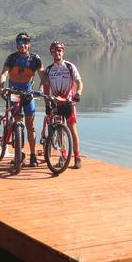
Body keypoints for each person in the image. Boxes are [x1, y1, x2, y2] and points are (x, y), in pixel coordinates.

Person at [0, 32, 44, 166]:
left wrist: (40, 90)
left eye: (25, 42)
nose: (22, 45)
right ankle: (19, 153)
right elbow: (4, 73)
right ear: (17, 45)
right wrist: (1, 87)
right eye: (19, 43)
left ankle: (33, 155)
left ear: (29, 44)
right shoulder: (11, 58)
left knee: (30, 126)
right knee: (17, 121)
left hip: (29, 94)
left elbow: (43, 76)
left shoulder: (35, 59)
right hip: (14, 93)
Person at [41, 40, 84, 169]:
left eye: (59, 50)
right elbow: (45, 87)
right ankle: (63, 156)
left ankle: (77, 157)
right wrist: (47, 104)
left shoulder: (70, 67)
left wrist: (79, 93)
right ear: (51, 53)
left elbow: (79, 82)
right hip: (56, 104)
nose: (57, 53)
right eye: (54, 51)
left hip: (68, 103)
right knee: (59, 130)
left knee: (72, 130)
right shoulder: (48, 69)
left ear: (63, 51)